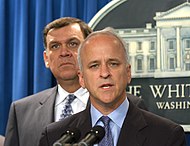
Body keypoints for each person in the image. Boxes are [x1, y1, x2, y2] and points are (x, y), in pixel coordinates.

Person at [4, 18, 147, 146]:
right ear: (46, 58)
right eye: (55, 46)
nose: (64, 52)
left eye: (72, 44)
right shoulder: (21, 111)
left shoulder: (133, 105)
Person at [39, 27, 186, 146]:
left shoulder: (167, 135)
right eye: (94, 66)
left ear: (128, 73)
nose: (104, 73)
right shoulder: (55, 137)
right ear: (82, 79)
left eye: (113, 64)